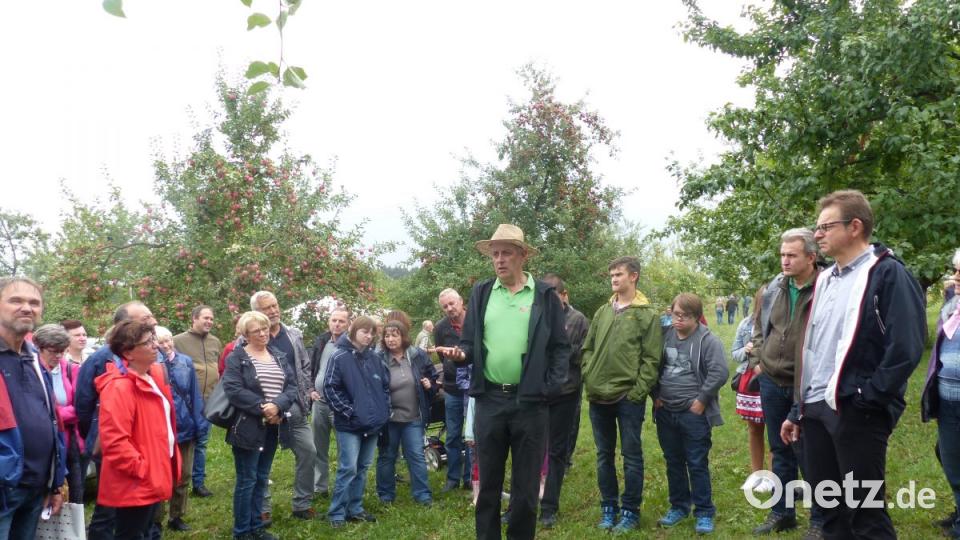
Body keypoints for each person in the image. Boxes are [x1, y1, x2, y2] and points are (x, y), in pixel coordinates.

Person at [781, 190, 925, 539]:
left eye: (825, 227)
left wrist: (869, 397)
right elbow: (815, 348)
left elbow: (905, 346)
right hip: (816, 410)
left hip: (857, 409)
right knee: (829, 511)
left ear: (855, 226)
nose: (817, 235)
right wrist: (798, 408)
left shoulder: (887, 273)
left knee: (865, 513)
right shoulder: (827, 278)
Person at [444, 224, 570, 540]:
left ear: (522, 256)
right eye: (495, 254)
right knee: (488, 485)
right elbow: (470, 344)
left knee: (526, 490)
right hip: (489, 401)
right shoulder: (483, 293)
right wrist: (461, 355)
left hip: (530, 403)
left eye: (507, 253)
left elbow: (560, 348)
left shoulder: (544, 296)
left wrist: (550, 388)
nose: (499, 260)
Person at [751, 228, 825, 537]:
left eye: (792, 255)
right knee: (779, 449)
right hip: (771, 380)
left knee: (811, 453)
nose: (785, 260)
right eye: (782, 254)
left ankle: (821, 520)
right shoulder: (774, 289)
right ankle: (782, 512)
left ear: (811, 256)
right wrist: (757, 360)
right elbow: (759, 326)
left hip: (806, 384)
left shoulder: (826, 288)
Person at [581, 256, 661, 532]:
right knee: (604, 455)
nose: (614, 279)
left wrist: (637, 392)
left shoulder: (646, 314)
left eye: (619, 274)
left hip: (628, 397)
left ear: (633, 276)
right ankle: (608, 506)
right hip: (597, 396)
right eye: (611, 275)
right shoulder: (603, 311)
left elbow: (652, 359)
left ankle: (630, 510)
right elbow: (587, 347)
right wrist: (588, 373)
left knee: (632, 455)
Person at [76, 301, 158, 539]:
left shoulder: (152, 353)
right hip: (115, 446)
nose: (151, 322)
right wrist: (97, 437)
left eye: (151, 316)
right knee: (111, 507)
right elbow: (84, 404)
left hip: (145, 445)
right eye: (144, 319)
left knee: (143, 507)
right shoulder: (102, 359)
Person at [97, 320, 180, 540]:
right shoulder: (120, 387)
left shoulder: (152, 377)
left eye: (153, 339)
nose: (155, 345)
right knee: (131, 534)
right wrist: (142, 469)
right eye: (147, 342)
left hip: (153, 472)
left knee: (145, 531)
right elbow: (115, 441)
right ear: (128, 353)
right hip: (137, 480)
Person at [653, 293, 728, 535]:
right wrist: (655, 396)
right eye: (675, 314)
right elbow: (652, 366)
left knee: (696, 462)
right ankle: (679, 507)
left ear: (696, 317)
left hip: (692, 412)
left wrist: (701, 400)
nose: (678, 320)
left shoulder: (708, 340)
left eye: (685, 316)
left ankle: (704, 511)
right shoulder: (663, 337)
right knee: (673, 461)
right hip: (666, 410)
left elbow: (719, 372)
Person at [222, 311, 298, 540]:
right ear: (246, 334)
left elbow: (292, 387)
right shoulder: (237, 357)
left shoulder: (278, 354)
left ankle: (257, 527)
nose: (263, 333)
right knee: (247, 479)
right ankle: (242, 531)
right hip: (248, 426)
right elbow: (233, 389)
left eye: (265, 328)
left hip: (274, 425)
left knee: (262, 476)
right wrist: (263, 407)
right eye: (257, 330)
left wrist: (277, 407)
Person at [0, 277, 66, 540]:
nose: (27, 307)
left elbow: (52, 422)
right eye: (16, 300)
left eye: (34, 302)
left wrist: (55, 483)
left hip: (35, 489)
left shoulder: (35, 360)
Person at [251, 291, 318, 520]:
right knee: (262, 459)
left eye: (275, 305)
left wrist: (306, 392)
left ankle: (302, 504)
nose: (273, 311)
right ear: (256, 313)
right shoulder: (248, 339)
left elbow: (305, 366)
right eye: (266, 308)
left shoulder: (293, 334)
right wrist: (263, 407)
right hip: (264, 411)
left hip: (294, 406)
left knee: (309, 451)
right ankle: (262, 509)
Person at [323, 316, 390, 528]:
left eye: (372, 333)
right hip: (349, 424)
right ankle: (336, 513)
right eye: (364, 332)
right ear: (354, 331)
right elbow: (330, 388)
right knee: (348, 468)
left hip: (373, 423)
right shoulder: (339, 356)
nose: (368, 336)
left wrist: (382, 410)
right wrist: (349, 412)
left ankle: (355, 508)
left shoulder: (375, 358)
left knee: (362, 467)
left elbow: (385, 386)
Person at [537, 273, 589, 529]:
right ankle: (521, 504)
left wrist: (561, 351)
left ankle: (549, 507)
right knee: (530, 449)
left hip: (566, 393)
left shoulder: (578, 320)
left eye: (553, 297)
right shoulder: (536, 316)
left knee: (557, 451)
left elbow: (584, 355)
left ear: (564, 295)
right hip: (537, 393)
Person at [375, 320, 436, 505]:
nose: (391, 339)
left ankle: (423, 496)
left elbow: (432, 376)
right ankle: (386, 496)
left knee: (416, 455)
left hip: (413, 417)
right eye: (387, 336)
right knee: (387, 456)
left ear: (403, 336)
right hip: (389, 419)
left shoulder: (417, 355)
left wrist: (429, 384)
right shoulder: (378, 359)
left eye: (395, 335)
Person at [923, 248, 960, 539]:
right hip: (948, 398)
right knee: (950, 458)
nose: (955, 276)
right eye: (955, 269)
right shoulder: (952, 308)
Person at [156, 326, 208, 532]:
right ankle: (155, 519)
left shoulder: (185, 362)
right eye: (161, 342)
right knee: (161, 476)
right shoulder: (152, 364)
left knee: (183, 474)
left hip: (184, 425)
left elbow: (194, 395)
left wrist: (199, 423)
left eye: (169, 340)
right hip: (161, 429)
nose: (167, 345)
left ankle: (176, 515)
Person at [172, 305, 222, 498]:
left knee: (202, 442)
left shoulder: (215, 342)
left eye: (211, 318)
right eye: (205, 318)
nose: (209, 321)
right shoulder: (178, 341)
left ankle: (198, 482)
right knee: (184, 442)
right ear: (194, 319)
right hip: (187, 402)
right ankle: (177, 480)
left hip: (209, 400)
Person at [34, 324, 85, 505]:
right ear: (38, 348)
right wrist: (61, 413)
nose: (58, 356)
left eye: (61, 351)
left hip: (69, 441)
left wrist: (54, 415)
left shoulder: (70, 369)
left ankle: (73, 530)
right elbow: (34, 411)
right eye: (53, 351)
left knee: (75, 490)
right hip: (43, 441)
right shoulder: (32, 372)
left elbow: (80, 406)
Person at [730, 287, 769, 494]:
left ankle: (773, 477)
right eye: (763, 299)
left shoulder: (781, 324)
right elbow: (734, 353)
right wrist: (744, 351)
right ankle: (757, 475)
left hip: (772, 380)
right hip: (749, 381)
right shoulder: (746, 324)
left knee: (774, 429)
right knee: (754, 429)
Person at [432, 288, 472, 493]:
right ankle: (453, 478)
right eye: (445, 306)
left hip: (474, 387)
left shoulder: (474, 320)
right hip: (452, 387)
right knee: (453, 434)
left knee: (472, 434)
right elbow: (442, 357)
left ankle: (470, 477)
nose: (449, 308)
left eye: (452, 304)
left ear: (461, 302)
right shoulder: (440, 328)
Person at [308, 308, 350, 498]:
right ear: (328, 322)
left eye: (341, 321)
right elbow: (310, 368)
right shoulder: (322, 342)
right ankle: (320, 487)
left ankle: (344, 487)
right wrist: (310, 389)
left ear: (348, 324)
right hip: (320, 403)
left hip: (341, 406)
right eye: (334, 320)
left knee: (345, 448)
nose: (337, 324)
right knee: (318, 447)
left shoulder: (352, 345)